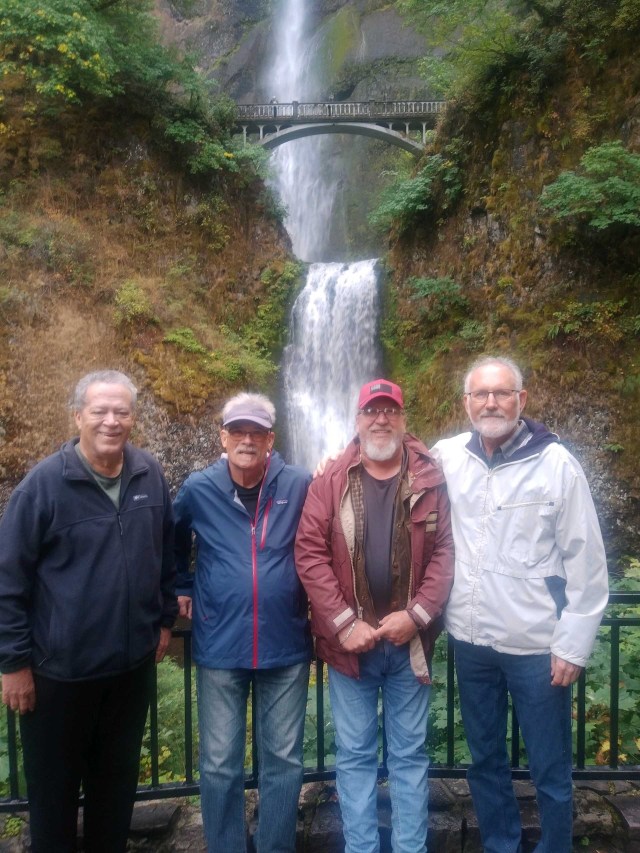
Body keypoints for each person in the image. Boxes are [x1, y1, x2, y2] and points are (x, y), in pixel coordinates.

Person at [430, 355, 609, 853]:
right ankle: (500, 845)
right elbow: (388, 462)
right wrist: (334, 463)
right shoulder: (447, 456)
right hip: (471, 642)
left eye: (502, 393)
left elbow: (586, 559)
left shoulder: (556, 465)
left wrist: (573, 644)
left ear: (521, 399)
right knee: (484, 761)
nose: (491, 403)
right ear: (466, 402)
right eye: (481, 394)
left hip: (536, 645)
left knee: (550, 767)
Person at [0, 370, 177, 853]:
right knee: (53, 798)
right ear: (78, 416)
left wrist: (164, 619)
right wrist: (13, 664)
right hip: (60, 675)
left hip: (129, 671)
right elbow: (8, 580)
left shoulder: (148, 473)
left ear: (133, 418)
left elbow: (166, 551)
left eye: (121, 411)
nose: (111, 421)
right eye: (99, 411)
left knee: (114, 795)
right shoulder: (43, 486)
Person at [295, 378, 454, 853]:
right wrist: (345, 623)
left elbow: (445, 552)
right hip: (351, 652)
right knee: (355, 756)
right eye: (371, 411)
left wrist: (417, 616)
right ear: (358, 419)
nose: (380, 419)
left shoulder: (430, 477)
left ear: (403, 419)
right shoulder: (329, 479)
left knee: (409, 756)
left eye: (390, 410)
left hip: (409, 646)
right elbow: (309, 553)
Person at [173, 392, 312, 853]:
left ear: (271, 439)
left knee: (284, 762)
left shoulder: (299, 483)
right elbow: (172, 537)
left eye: (257, 432)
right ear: (223, 437)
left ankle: (275, 847)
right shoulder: (199, 488)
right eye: (238, 431)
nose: (246, 440)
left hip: (285, 640)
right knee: (218, 764)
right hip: (220, 642)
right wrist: (182, 584)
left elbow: (325, 539)